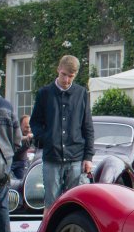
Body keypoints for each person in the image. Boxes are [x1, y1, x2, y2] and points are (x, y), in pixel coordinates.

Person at [30, 55, 94, 209]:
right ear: (58, 70)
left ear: (75, 75)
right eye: (64, 75)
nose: (66, 80)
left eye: (70, 76)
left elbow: (87, 126)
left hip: (76, 157)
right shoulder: (44, 93)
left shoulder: (81, 93)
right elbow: (35, 122)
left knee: (75, 204)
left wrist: (88, 157)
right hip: (52, 157)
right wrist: (46, 138)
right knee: (51, 205)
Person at [0, 71, 22, 232]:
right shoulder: (9, 106)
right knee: (2, 202)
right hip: (5, 160)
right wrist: (9, 153)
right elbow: (18, 138)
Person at [11, 115, 33, 179]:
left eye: (29, 127)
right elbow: (16, 138)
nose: (28, 129)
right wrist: (26, 137)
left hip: (22, 162)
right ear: (20, 126)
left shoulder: (31, 134)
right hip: (11, 161)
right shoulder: (15, 132)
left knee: (23, 180)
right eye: (26, 127)